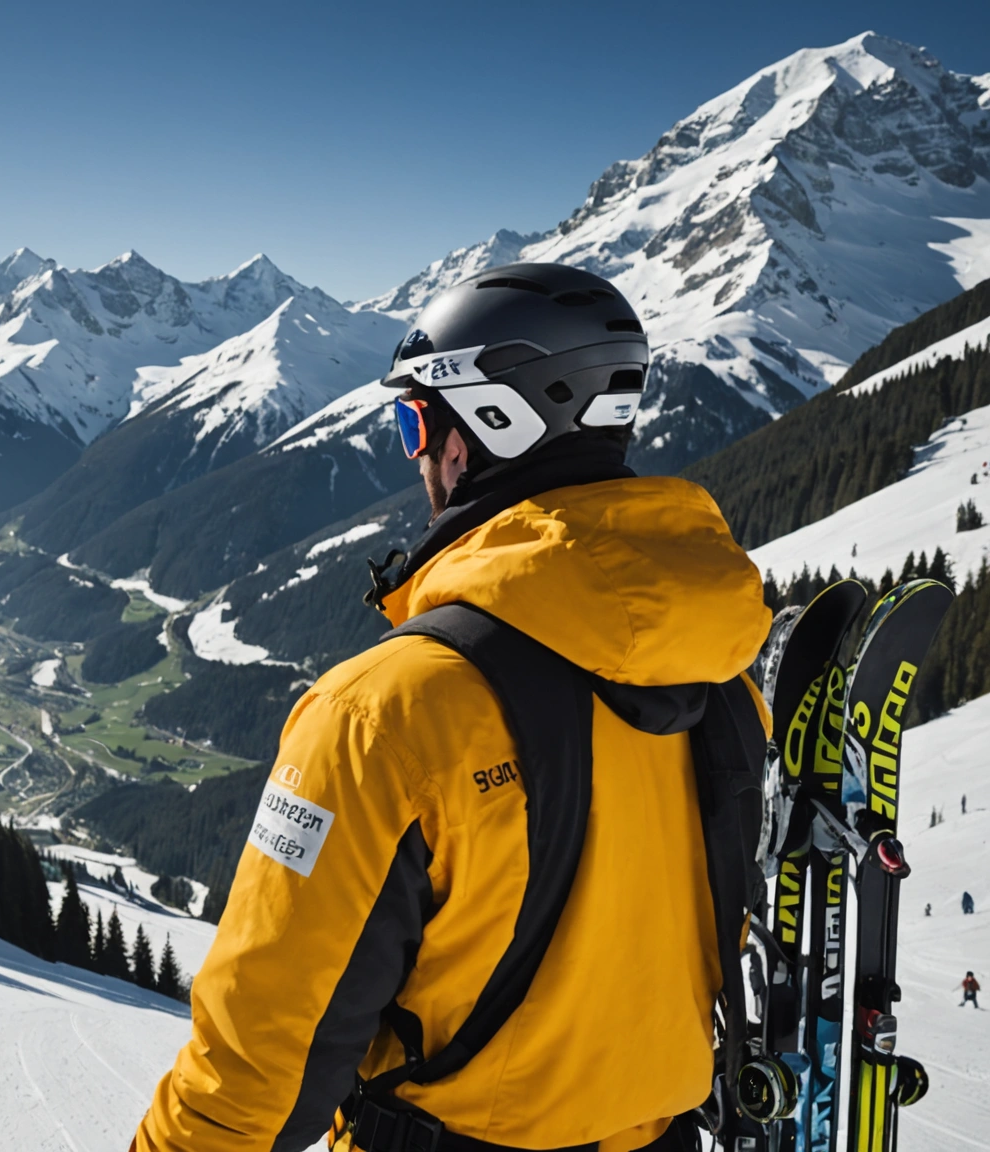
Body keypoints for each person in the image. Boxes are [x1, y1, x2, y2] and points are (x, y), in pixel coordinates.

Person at [133, 264, 770, 1152]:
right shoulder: (720, 684)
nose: (415, 454)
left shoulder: (384, 716)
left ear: (474, 436)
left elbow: (255, 1066)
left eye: (413, 425)